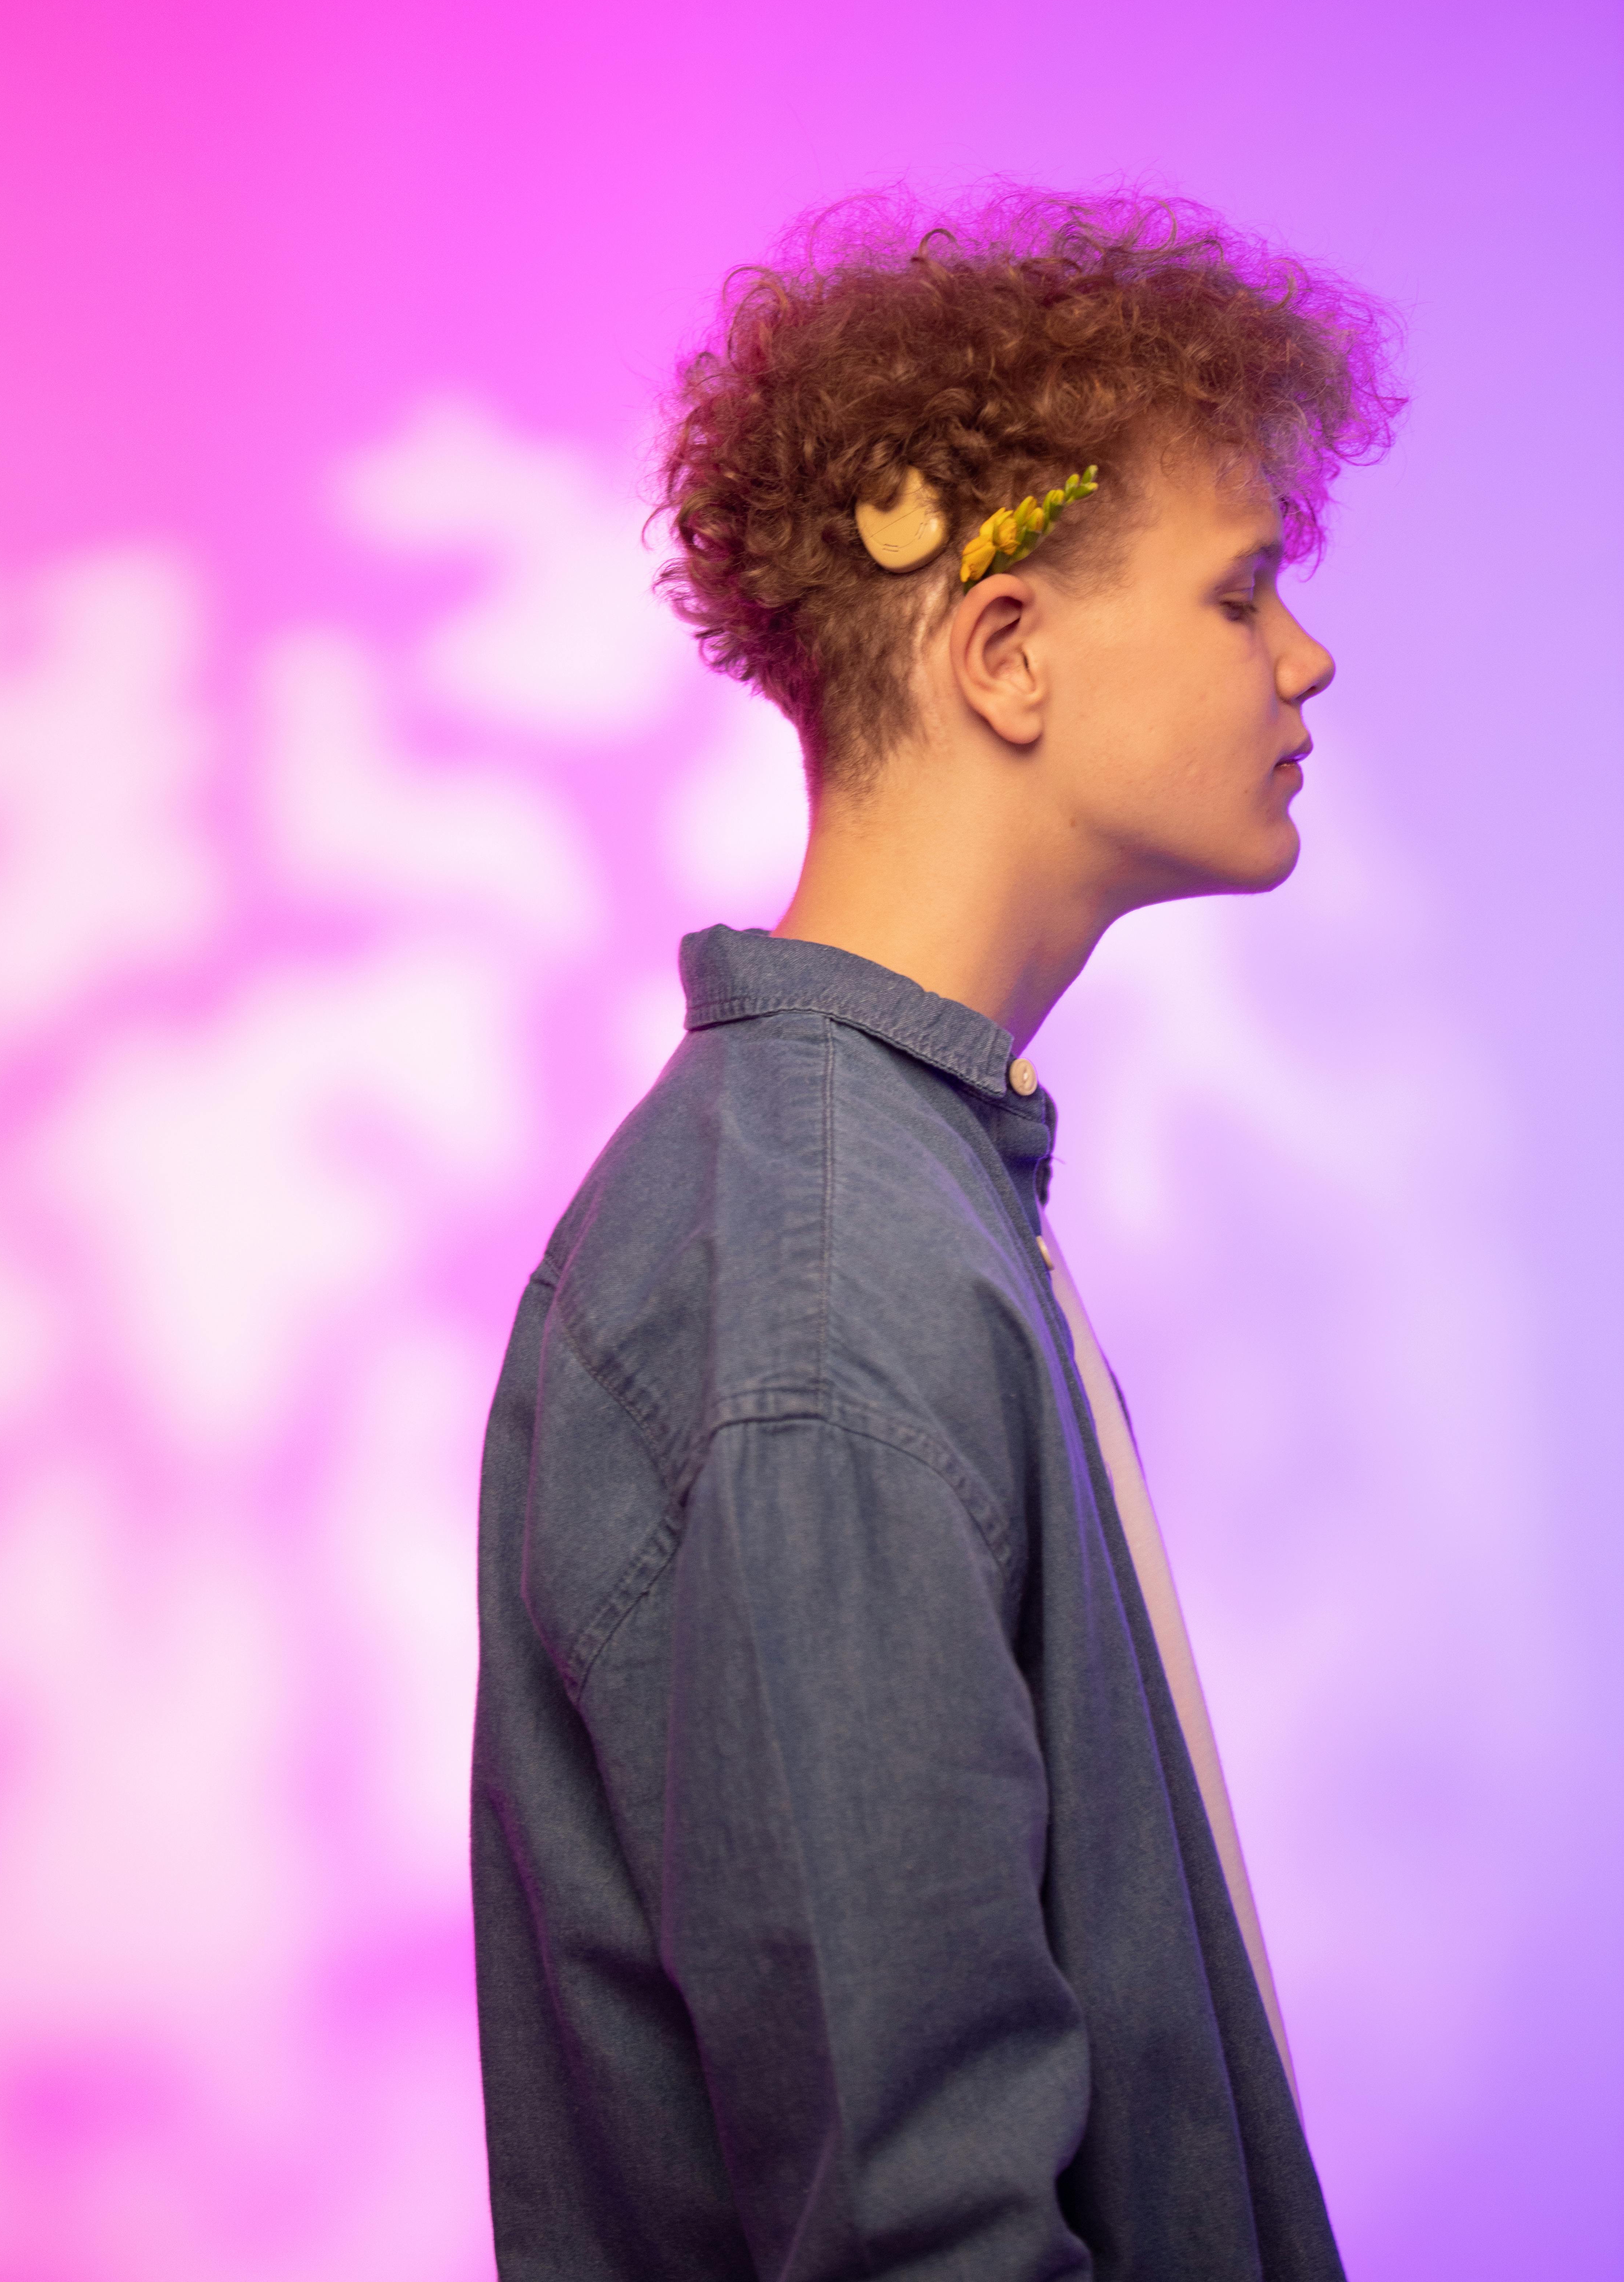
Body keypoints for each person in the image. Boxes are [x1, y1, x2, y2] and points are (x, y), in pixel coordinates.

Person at [470, 190, 1402, 2280]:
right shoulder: (820, 1288)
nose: (1307, 650)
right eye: (1244, 587)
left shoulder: (896, 1204)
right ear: (1005, 654)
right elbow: (928, 2236)